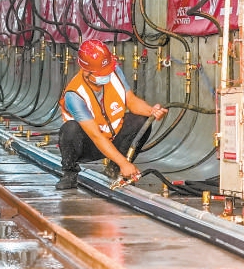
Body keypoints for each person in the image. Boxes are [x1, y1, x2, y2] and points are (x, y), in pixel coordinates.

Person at [56, 39, 168, 190]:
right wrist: (125, 163)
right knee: (70, 129)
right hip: (88, 145)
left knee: (142, 122)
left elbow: (131, 100)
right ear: (87, 72)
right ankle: (69, 173)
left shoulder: (113, 72)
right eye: (102, 73)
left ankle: (114, 169)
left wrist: (151, 111)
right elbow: (96, 136)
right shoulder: (75, 95)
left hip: (113, 137)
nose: (107, 74)